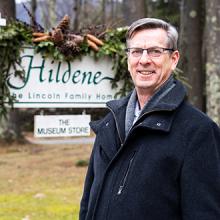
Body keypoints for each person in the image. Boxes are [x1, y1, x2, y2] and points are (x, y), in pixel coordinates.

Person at [79, 18, 220, 220]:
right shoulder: (110, 122)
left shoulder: (198, 131)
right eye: (136, 51)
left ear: (173, 59)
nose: (144, 60)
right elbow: (88, 203)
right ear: (128, 59)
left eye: (155, 51)